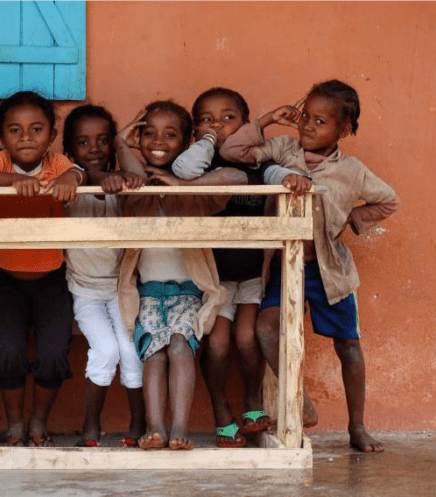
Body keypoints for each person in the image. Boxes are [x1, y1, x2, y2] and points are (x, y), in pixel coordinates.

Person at [220, 79, 401, 452]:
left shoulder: (352, 171)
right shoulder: (283, 149)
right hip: (285, 265)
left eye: (320, 121)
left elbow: (389, 201)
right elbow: (233, 149)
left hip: (328, 269)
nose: (306, 125)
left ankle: (357, 427)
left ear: (344, 130)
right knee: (266, 330)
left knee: (349, 345)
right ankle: (298, 397)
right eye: (305, 116)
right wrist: (269, 119)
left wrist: (350, 220)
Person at [171, 87, 307, 447]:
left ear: (247, 125)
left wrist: (290, 179)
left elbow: (278, 174)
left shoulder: (258, 164)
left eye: (229, 118)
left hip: (249, 273)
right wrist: (207, 142)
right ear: (196, 131)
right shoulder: (203, 164)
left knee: (246, 338)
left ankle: (252, 401)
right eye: (207, 120)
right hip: (213, 277)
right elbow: (184, 169)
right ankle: (220, 410)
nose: (218, 125)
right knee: (216, 344)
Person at [112, 101, 235, 450]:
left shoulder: (193, 191)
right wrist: (122, 142)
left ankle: (181, 428)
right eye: (147, 132)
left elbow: (238, 178)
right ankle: (156, 428)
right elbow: (132, 173)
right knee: (154, 352)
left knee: (181, 347)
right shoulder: (135, 189)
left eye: (170, 134)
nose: (158, 140)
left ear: (186, 143)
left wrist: (181, 183)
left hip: (188, 293)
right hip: (147, 293)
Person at [0, 91, 85, 447]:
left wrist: (72, 180)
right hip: (7, 281)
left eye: (36, 129)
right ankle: (16, 425)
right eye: (15, 130)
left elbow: (79, 172)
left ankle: (38, 423)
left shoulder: (57, 164)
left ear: (52, 135)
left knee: (53, 355)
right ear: (0, 137)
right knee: (8, 354)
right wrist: (13, 183)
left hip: (53, 279)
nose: (25, 137)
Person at [61, 104, 146, 447]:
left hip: (122, 290)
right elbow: (84, 175)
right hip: (85, 292)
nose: (94, 148)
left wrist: (123, 144)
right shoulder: (67, 182)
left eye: (103, 140)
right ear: (69, 149)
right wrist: (96, 174)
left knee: (131, 351)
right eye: (83, 142)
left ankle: (139, 424)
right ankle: (90, 426)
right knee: (107, 350)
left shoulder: (122, 184)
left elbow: (137, 176)